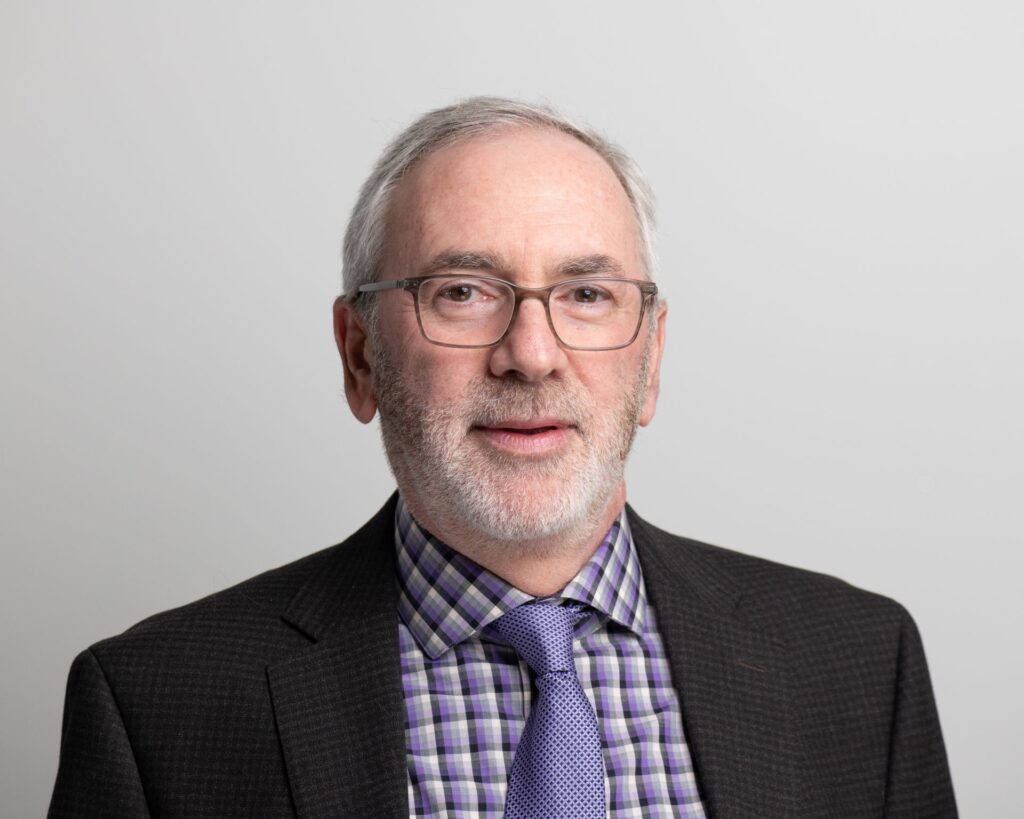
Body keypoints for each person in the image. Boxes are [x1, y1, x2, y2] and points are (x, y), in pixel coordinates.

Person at [49, 97, 957, 818]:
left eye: (587, 293)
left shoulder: (858, 664)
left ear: (650, 362)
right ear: (360, 355)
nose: (531, 353)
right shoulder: (156, 707)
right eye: (463, 291)